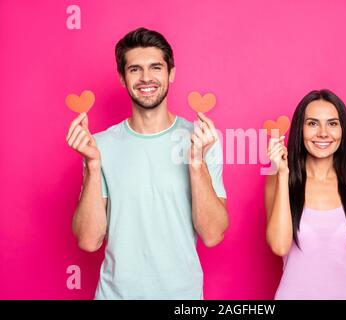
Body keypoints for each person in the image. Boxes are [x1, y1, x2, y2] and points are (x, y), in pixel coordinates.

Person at [65, 27, 229, 299]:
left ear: (171, 73)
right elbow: (88, 240)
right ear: (122, 77)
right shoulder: (100, 146)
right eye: (134, 69)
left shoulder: (200, 140)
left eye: (155, 67)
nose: (146, 78)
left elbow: (212, 235)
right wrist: (93, 166)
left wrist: (196, 163)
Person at [265, 89, 346, 300]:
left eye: (332, 123)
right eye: (312, 123)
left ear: (343, 130)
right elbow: (279, 245)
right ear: (299, 129)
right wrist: (283, 173)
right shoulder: (277, 180)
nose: (323, 133)